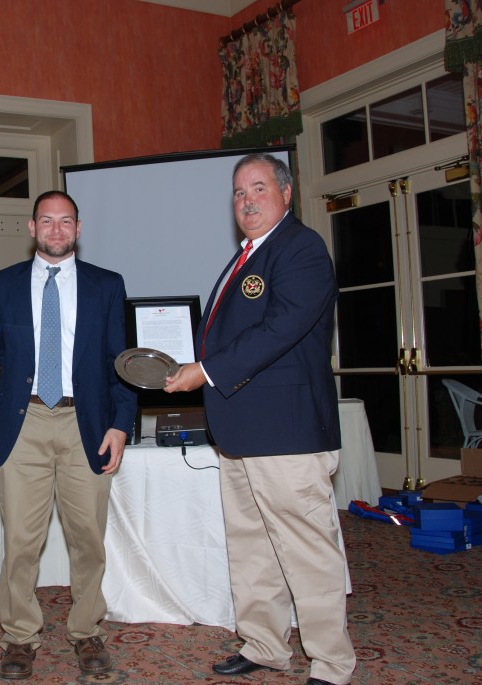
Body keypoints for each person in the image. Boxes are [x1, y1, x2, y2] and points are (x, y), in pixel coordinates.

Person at [165, 153, 356, 685]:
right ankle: (266, 644)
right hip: (242, 432)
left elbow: (281, 329)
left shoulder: (301, 249)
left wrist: (203, 371)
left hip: (287, 431)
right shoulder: (246, 255)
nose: (246, 201)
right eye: (238, 192)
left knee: (307, 550)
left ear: (287, 193)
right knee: (251, 547)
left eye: (258, 189)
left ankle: (331, 661)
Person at [0, 190, 137, 680]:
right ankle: (18, 636)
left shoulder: (107, 285)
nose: (56, 231)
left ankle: (86, 632)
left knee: (88, 540)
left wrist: (122, 423)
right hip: (24, 423)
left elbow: (121, 362)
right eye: (47, 222)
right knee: (20, 541)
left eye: (66, 222)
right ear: (31, 228)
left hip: (89, 425)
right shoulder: (3, 284)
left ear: (79, 228)